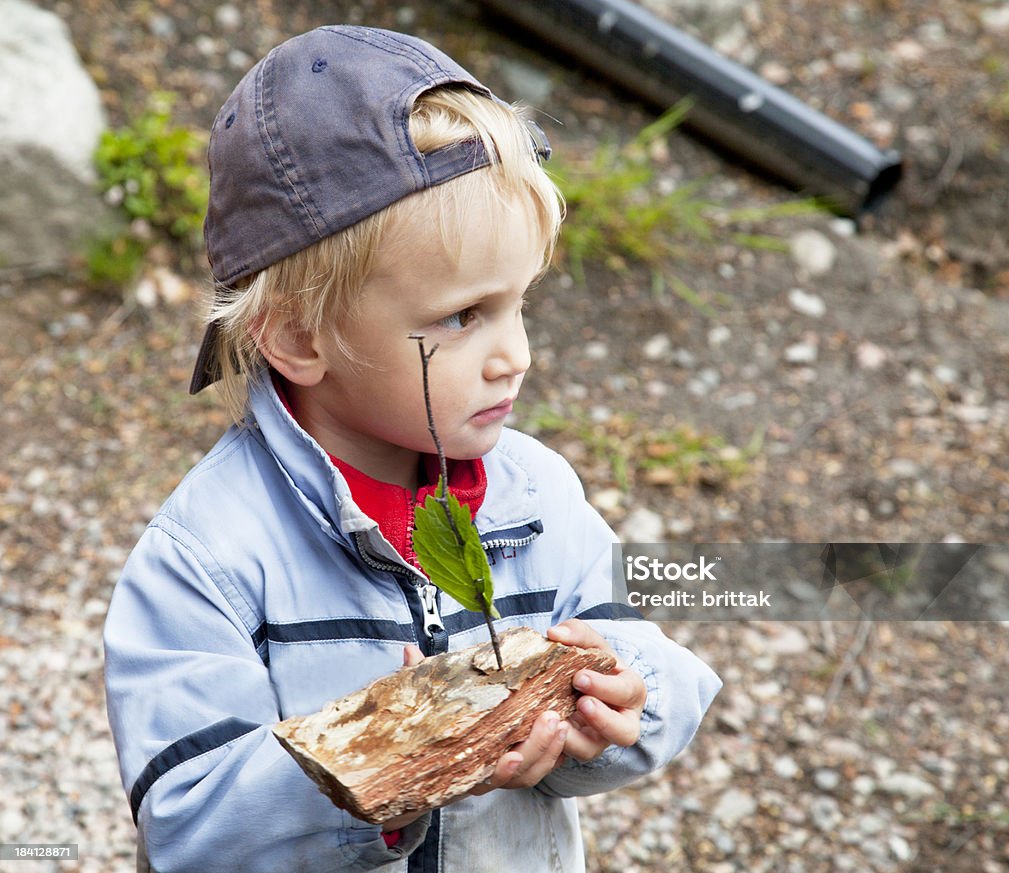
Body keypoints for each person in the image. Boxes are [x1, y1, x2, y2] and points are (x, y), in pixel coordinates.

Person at [103, 24, 721, 873]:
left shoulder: (536, 496)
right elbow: (190, 826)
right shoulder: (210, 556)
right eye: (464, 317)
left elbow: (655, 661)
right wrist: (395, 765)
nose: (518, 355)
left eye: (519, 304)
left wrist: (625, 705)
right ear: (298, 336)